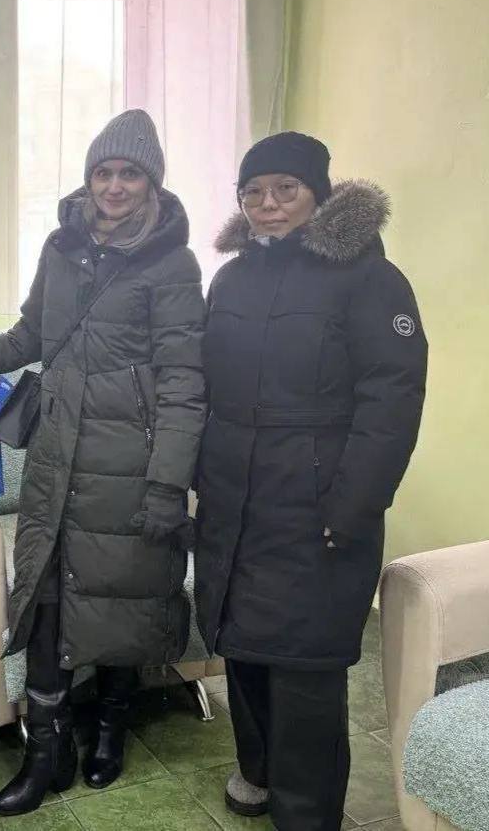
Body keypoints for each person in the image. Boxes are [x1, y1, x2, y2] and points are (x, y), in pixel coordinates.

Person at [0, 109, 206, 816]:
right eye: (104, 172)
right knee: (44, 599)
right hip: (57, 456)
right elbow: (29, 334)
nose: (115, 186)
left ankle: (110, 728)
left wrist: (168, 481)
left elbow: (183, 381)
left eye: (129, 173)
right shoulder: (61, 246)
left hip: (128, 464)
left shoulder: (173, 264)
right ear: (88, 178)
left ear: (152, 182)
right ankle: (45, 751)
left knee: (122, 597)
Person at [195, 132, 427, 830]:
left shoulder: (370, 278)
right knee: (241, 642)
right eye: (253, 192)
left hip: (317, 500)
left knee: (304, 665)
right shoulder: (231, 278)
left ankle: (308, 813)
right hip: (234, 498)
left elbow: (392, 399)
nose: (268, 204)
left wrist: (354, 505)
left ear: (318, 195)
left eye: (285, 189)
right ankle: (259, 771)